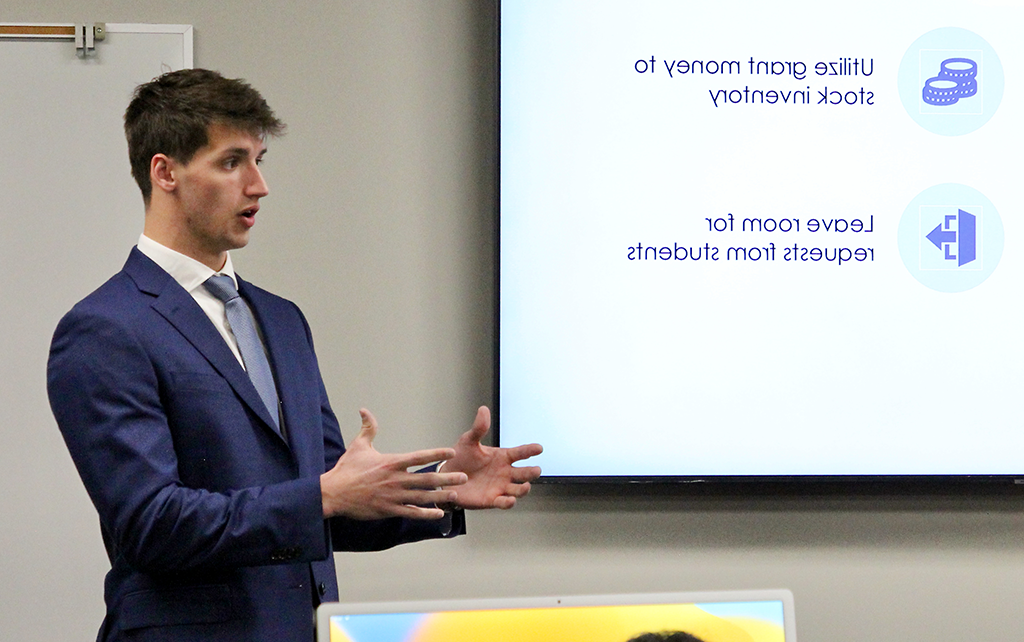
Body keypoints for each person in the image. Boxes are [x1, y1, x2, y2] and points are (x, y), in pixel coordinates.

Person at [46, 68, 542, 642]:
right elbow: (151, 525)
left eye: (259, 159)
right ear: (166, 172)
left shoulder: (281, 320)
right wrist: (323, 495)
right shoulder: (106, 328)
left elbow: (328, 498)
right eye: (232, 162)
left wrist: (443, 487)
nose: (258, 185)